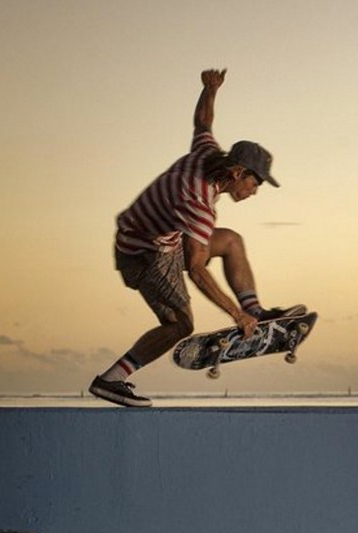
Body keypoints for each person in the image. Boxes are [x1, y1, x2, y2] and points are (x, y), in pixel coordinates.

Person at [89, 69, 294, 408]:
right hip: (144, 256)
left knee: (230, 240)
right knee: (180, 324)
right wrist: (234, 316)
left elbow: (203, 124)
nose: (254, 192)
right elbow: (197, 270)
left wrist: (210, 89)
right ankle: (111, 379)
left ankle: (257, 310)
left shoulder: (208, 153)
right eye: (255, 184)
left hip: (161, 240)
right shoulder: (198, 202)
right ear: (238, 173)